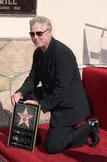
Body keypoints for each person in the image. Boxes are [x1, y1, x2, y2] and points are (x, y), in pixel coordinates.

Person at [11, 16, 99, 154]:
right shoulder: (38, 53)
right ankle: (31, 136)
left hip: (69, 104)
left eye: (39, 33)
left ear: (49, 32)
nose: (35, 37)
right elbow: (33, 77)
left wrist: (39, 104)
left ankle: (89, 127)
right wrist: (20, 92)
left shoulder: (62, 54)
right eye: (32, 34)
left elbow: (62, 90)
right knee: (24, 96)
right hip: (52, 94)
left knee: (52, 147)